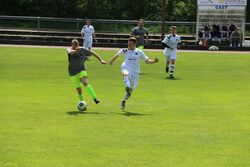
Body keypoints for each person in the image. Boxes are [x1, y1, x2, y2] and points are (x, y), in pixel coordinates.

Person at [109, 37, 159, 110]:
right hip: (125, 68)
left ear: (135, 44)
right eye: (128, 44)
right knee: (125, 74)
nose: (129, 45)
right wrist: (111, 61)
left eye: (130, 44)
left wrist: (154, 61)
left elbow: (147, 61)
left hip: (135, 72)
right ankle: (127, 86)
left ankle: (123, 101)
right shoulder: (125, 50)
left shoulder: (139, 52)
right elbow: (117, 56)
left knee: (130, 92)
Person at [67, 39, 106, 106]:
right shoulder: (68, 49)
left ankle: (95, 98)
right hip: (72, 72)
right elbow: (70, 52)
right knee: (79, 90)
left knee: (84, 82)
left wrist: (101, 60)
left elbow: (92, 53)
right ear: (72, 45)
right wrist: (76, 50)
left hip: (82, 69)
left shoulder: (82, 49)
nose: (76, 46)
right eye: (74, 44)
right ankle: (82, 102)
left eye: (77, 44)